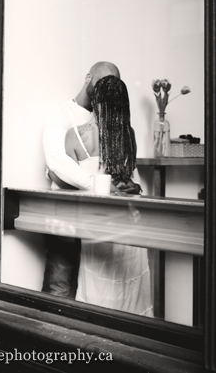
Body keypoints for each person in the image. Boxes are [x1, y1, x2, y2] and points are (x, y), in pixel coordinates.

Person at [64, 75, 152, 316]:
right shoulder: (128, 134)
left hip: (98, 223)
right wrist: (132, 188)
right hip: (130, 223)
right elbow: (132, 181)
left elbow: (69, 183)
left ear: (96, 101)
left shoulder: (75, 135)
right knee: (131, 287)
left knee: (97, 288)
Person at [40, 61, 122, 298]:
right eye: (102, 82)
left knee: (96, 294)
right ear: (88, 77)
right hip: (65, 216)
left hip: (99, 220)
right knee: (60, 286)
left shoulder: (111, 122)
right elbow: (57, 163)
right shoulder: (62, 114)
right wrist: (99, 185)